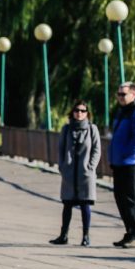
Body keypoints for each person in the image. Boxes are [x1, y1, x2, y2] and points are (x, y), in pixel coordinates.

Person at [50, 100, 101, 247]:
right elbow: (60, 149)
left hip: (85, 174)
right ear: (72, 112)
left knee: (85, 205)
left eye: (83, 111)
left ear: (87, 113)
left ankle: (86, 236)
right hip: (69, 173)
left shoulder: (92, 129)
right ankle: (63, 235)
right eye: (77, 110)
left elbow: (97, 150)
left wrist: (90, 167)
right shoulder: (66, 129)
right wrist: (62, 167)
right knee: (67, 204)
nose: (79, 113)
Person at [108, 82, 135, 248]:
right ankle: (129, 232)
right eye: (118, 94)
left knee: (130, 199)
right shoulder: (123, 112)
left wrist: (125, 153)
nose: (120, 97)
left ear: (134, 94)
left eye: (123, 94)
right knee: (120, 198)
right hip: (119, 162)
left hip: (131, 163)